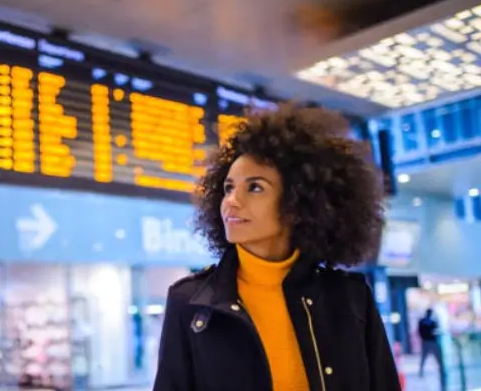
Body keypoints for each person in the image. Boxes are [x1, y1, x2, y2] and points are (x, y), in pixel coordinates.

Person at [153, 106, 401, 390]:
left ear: (297, 204)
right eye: (229, 188)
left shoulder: (350, 297)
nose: (231, 201)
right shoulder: (190, 302)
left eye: (255, 187)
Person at [418, 308, 446, 386]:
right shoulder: (428, 322)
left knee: (425, 358)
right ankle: (421, 371)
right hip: (429, 342)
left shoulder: (427, 321)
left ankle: (422, 371)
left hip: (428, 342)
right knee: (424, 358)